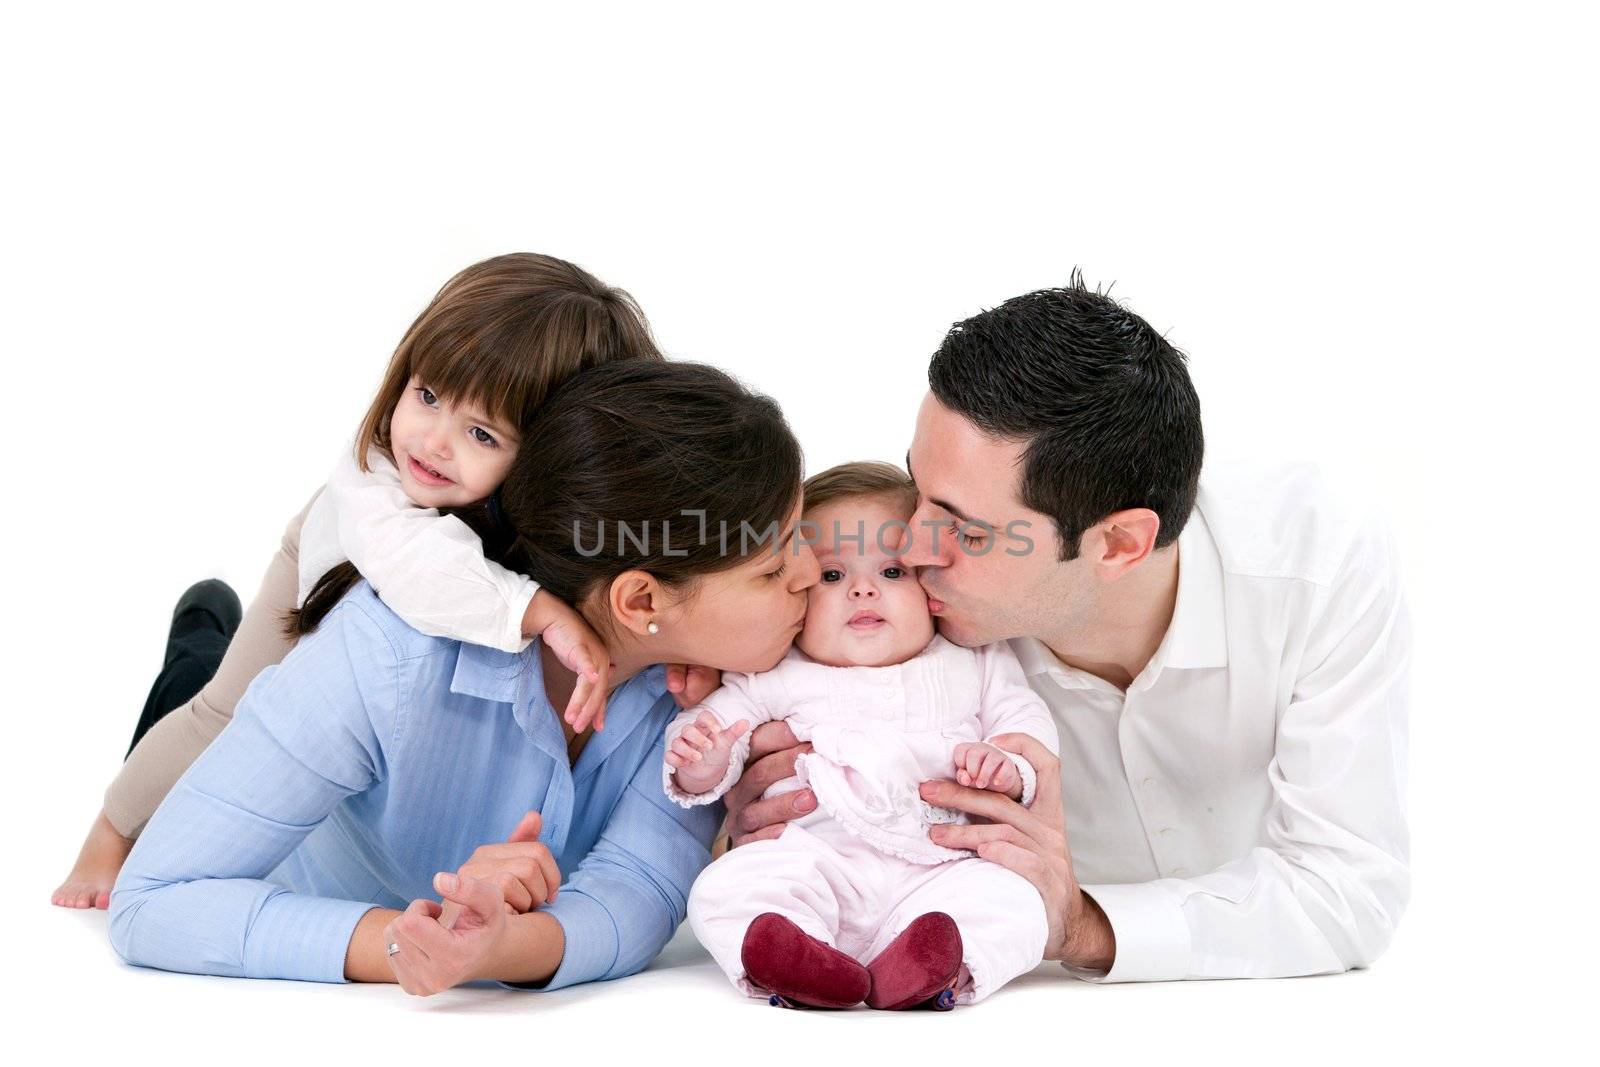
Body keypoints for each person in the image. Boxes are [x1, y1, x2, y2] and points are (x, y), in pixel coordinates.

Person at [725, 274, 1411, 983]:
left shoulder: (1316, 565)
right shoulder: (894, 607)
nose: (912, 545)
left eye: (962, 526)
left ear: (1117, 545)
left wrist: (1080, 923)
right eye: (916, 486)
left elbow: (1347, 889)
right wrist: (744, 816)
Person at [109, 359, 820, 994]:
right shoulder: (382, 657)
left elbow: (641, 888)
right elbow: (151, 901)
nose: (811, 573)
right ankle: (198, 642)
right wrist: (408, 942)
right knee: (198, 698)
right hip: (287, 740)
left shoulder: (710, 689)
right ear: (640, 601)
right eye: (772, 566)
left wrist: (504, 948)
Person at [54, 252, 710, 911]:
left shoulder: (547, 525)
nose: (431, 440)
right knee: (224, 712)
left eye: (481, 432)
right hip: (335, 566)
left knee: (214, 681)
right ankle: (108, 830)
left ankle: (199, 638)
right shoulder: (374, 485)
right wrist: (541, 611)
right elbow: (424, 574)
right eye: (425, 395)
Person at [667, 462, 1058, 1010]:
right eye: (832, 576)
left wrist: (1006, 766)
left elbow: (1026, 725)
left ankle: (937, 965)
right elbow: (713, 731)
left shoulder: (973, 660)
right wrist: (701, 759)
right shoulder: (775, 671)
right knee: (725, 888)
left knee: (1013, 900)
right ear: (796, 591)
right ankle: (797, 962)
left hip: (941, 867)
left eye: (893, 572)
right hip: (813, 857)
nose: (864, 590)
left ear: (929, 585)